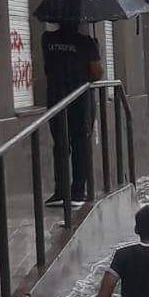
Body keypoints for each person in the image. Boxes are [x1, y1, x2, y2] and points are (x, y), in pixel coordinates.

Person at [42, 22, 102, 207]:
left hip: (56, 97)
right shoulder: (87, 43)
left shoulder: (47, 39)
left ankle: (60, 191)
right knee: (80, 143)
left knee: (60, 143)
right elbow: (96, 74)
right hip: (80, 99)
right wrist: (95, 50)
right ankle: (77, 192)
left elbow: (47, 68)